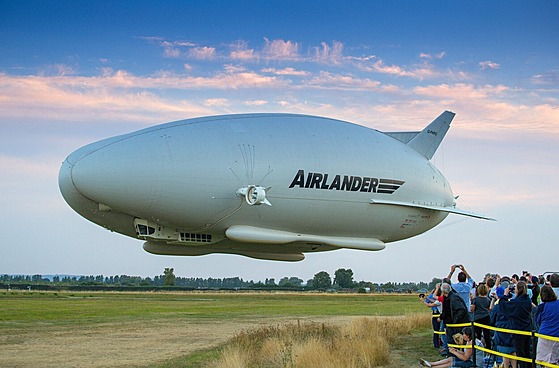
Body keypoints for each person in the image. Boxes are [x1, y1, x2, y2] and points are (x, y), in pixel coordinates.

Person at [499, 281, 533, 368]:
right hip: (527, 329)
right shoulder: (528, 300)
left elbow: (503, 306)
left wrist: (505, 295)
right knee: (527, 353)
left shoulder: (517, 302)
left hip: (518, 330)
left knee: (520, 354)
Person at [418, 326, 483, 367]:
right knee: (450, 358)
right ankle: (431, 364)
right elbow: (465, 354)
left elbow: (465, 358)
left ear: (468, 335)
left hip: (475, 364)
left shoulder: (472, 343)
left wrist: (454, 352)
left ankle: (431, 366)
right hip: (470, 360)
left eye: (464, 334)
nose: (463, 335)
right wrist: (456, 350)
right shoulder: (469, 341)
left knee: (451, 363)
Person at [440, 282, 470, 358]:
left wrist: (455, 321)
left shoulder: (454, 298)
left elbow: (462, 310)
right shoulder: (449, 298)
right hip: (451, 325)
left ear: (443, 291)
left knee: (457, 342)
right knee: (451, 342)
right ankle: (451, 357)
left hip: (458, 325)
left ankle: (455, 358)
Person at [490, 286, 517, 368]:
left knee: (505, 353)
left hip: (501, 331)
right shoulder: (511, 304)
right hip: (512, 329)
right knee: (513, 352)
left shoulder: (497, 306)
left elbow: (492, 320)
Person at [535, 285, 559, 365]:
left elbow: (537, 321)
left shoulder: (542, 307)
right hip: (556, 335)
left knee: (543, 361)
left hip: (544, 335)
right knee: (554, 360)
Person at [471, 283, 491, 349]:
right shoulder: (488, 300)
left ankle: (478, 348)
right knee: (487, 335)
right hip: (486, 317)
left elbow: (472, 309)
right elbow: (489, 308)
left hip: (477, 318)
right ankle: (488, 349)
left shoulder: (475, 300)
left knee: (477, 335)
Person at [422, 283, 443, 349]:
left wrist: (423, 300)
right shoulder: (442, 298)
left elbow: (431, 304)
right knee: (440, 330)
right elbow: (434, 301)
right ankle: (438, 343)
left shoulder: (439, 300)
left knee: (437, 330)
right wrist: (427, 297)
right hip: (439, 314)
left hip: (438, 315)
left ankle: (438, 344)